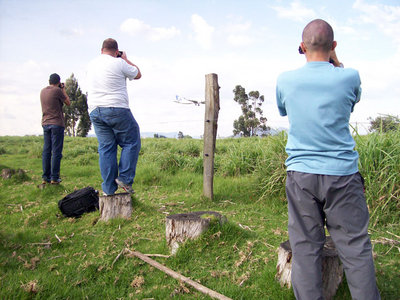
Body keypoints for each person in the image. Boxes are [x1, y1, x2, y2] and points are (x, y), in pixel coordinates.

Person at [276, 19, 380, 300]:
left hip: (301, 175)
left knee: (306, 247)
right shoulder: (349, 76)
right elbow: (352, 98)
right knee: (356, 247)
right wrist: (336, 61)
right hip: (343, 175)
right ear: (334, 46)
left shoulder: (285, 80)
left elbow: (283, 110)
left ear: (301, 47)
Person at [87, 38, 142, 196]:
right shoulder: (119, 62)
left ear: (102, 50)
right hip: (116, 107)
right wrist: (125, 59)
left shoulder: (91, 64)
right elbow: (138, 74)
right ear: (116, 51)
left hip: (95, 110)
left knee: (106, 148)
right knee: (131, 141)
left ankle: (108, 191)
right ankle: (125, 178)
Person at [40, 73, 71, 184]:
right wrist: (63, 89)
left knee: (46, 151)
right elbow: (68, 102)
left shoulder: (43, 91)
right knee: (56, 151)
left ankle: (45, 177)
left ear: (49, 81)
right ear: (58, 81)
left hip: (45, 123)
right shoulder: (57, 91)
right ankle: (54, 177)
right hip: (56, 123)